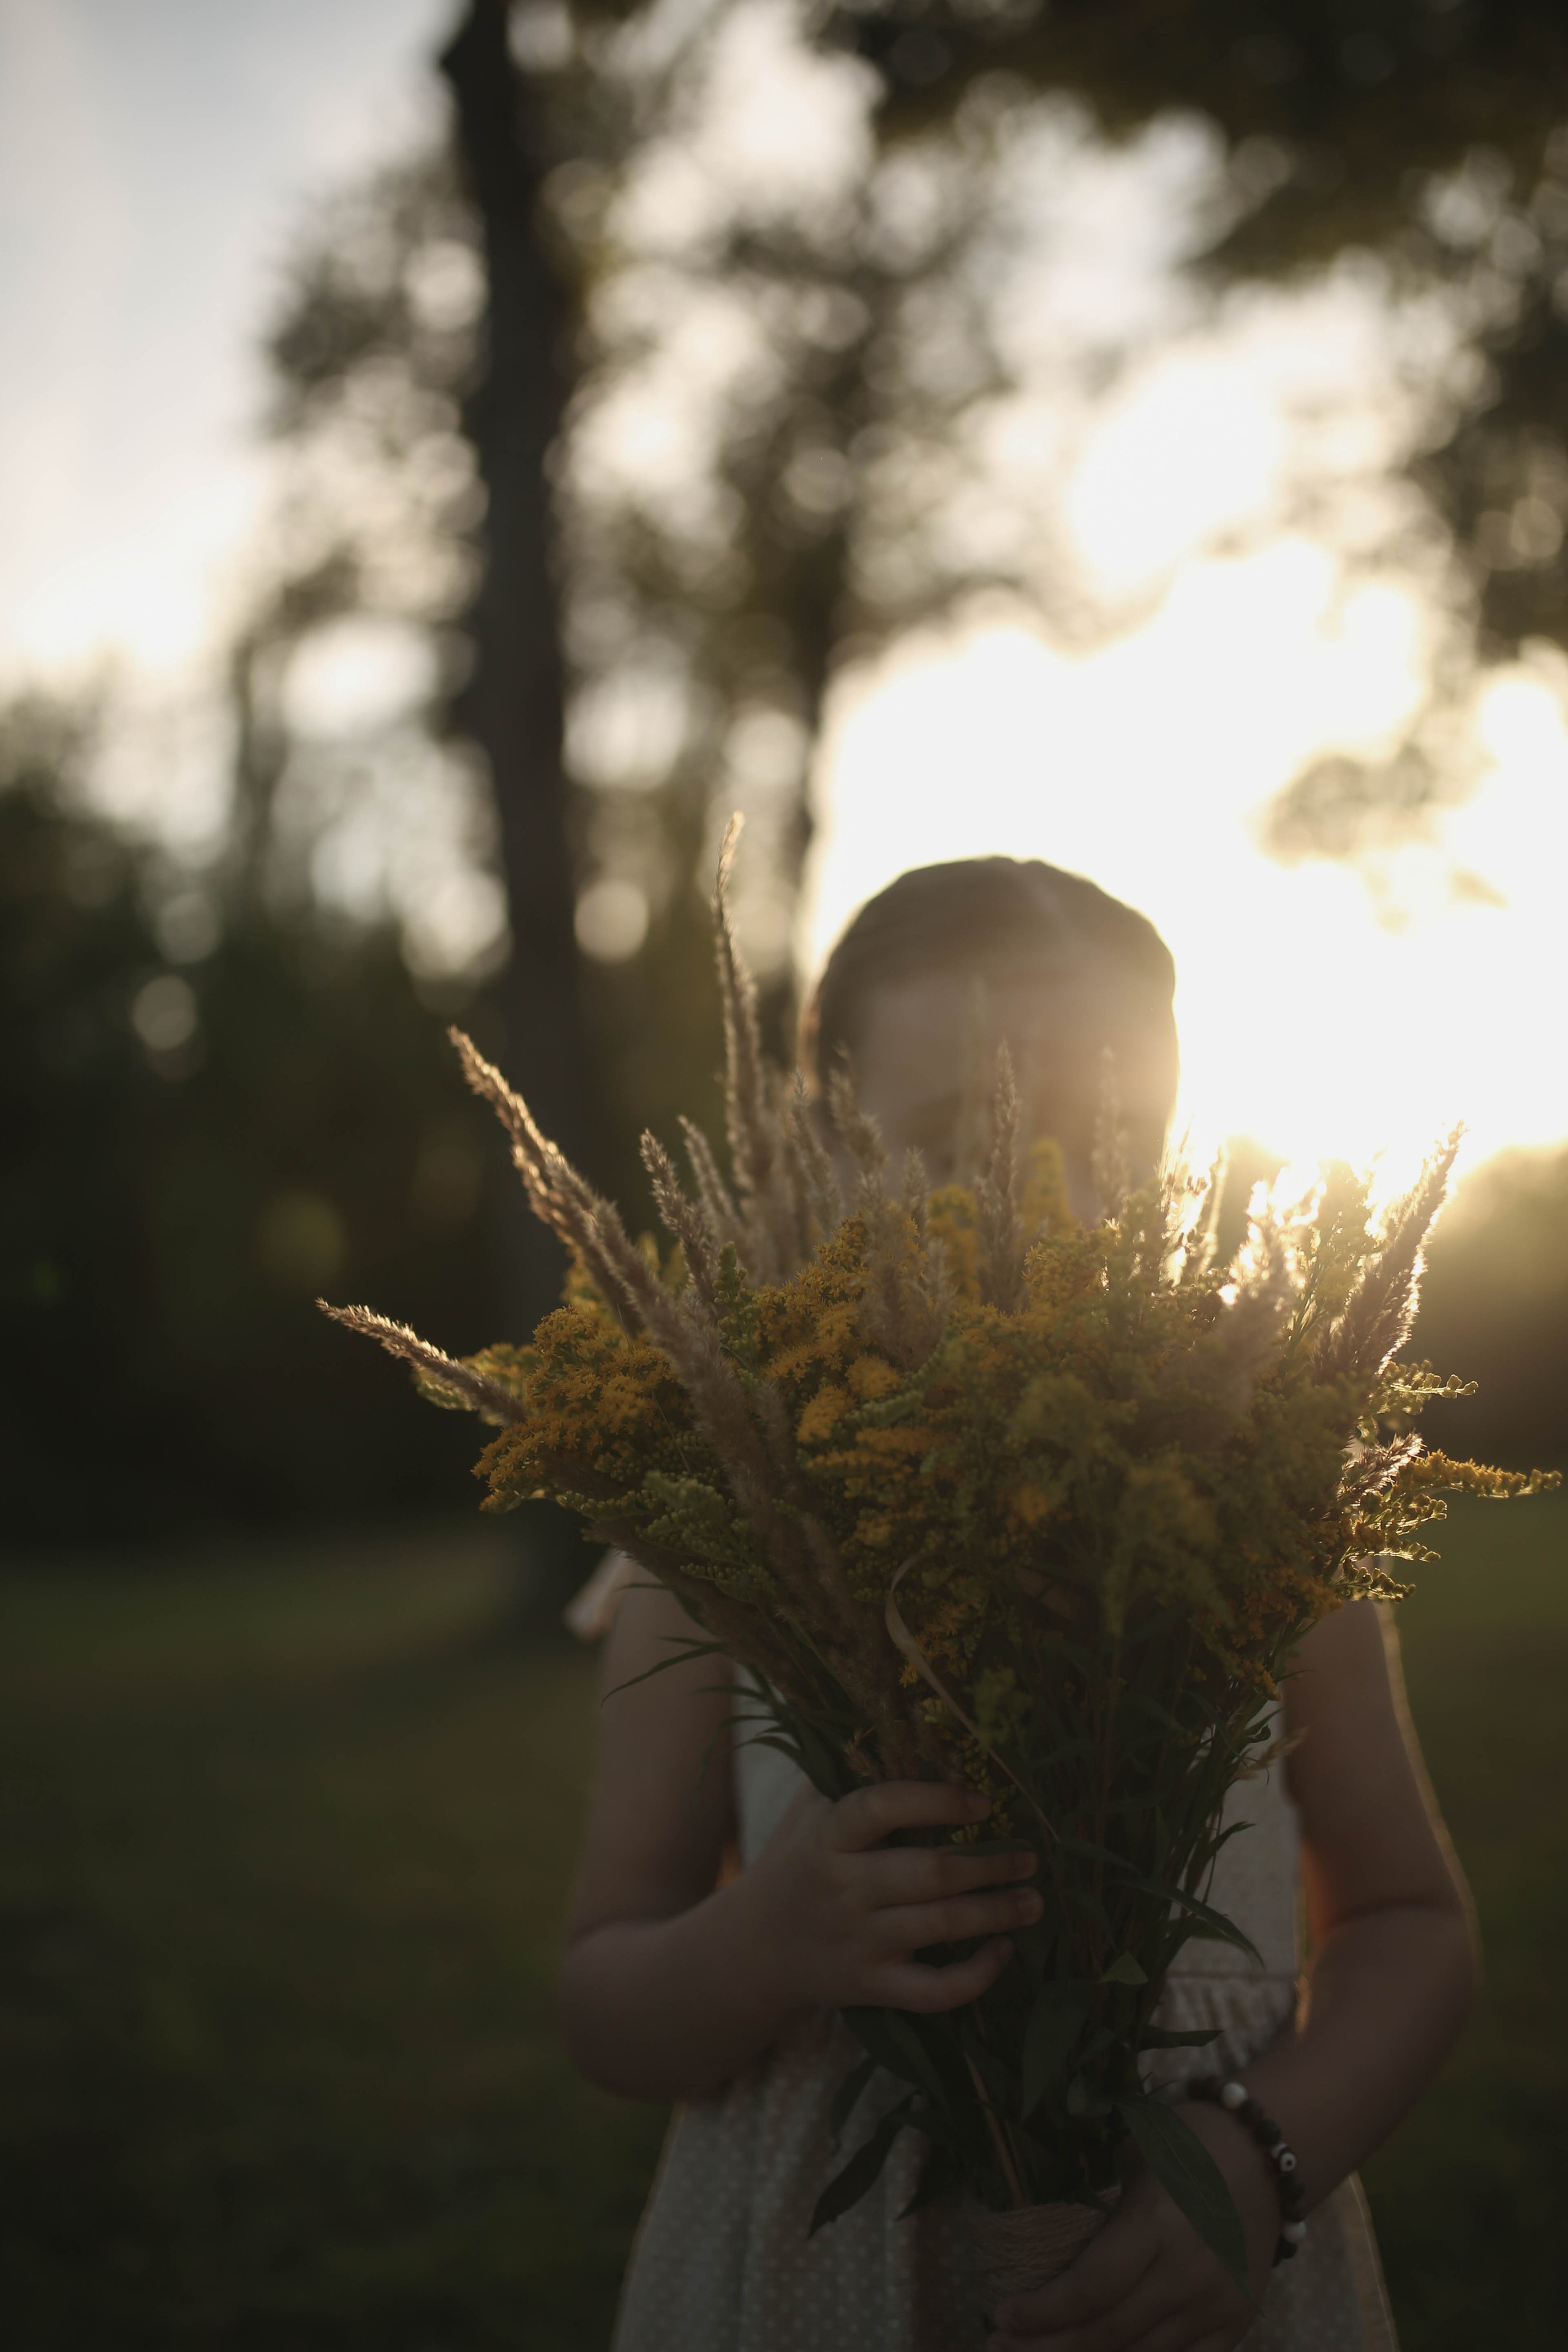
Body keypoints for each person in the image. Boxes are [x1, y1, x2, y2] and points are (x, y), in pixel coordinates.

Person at [558, 858, 1477, 2352]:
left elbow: (1409, 1921)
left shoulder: (1257, 1510)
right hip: (817, 2275)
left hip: (1193, 2270)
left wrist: (1253, 2165)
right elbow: (605, 1999)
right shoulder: (722, 1534)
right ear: (813, 1156)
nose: (1035, 1206)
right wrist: (769, 1937)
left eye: (1108, 1147)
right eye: (945, 1142)